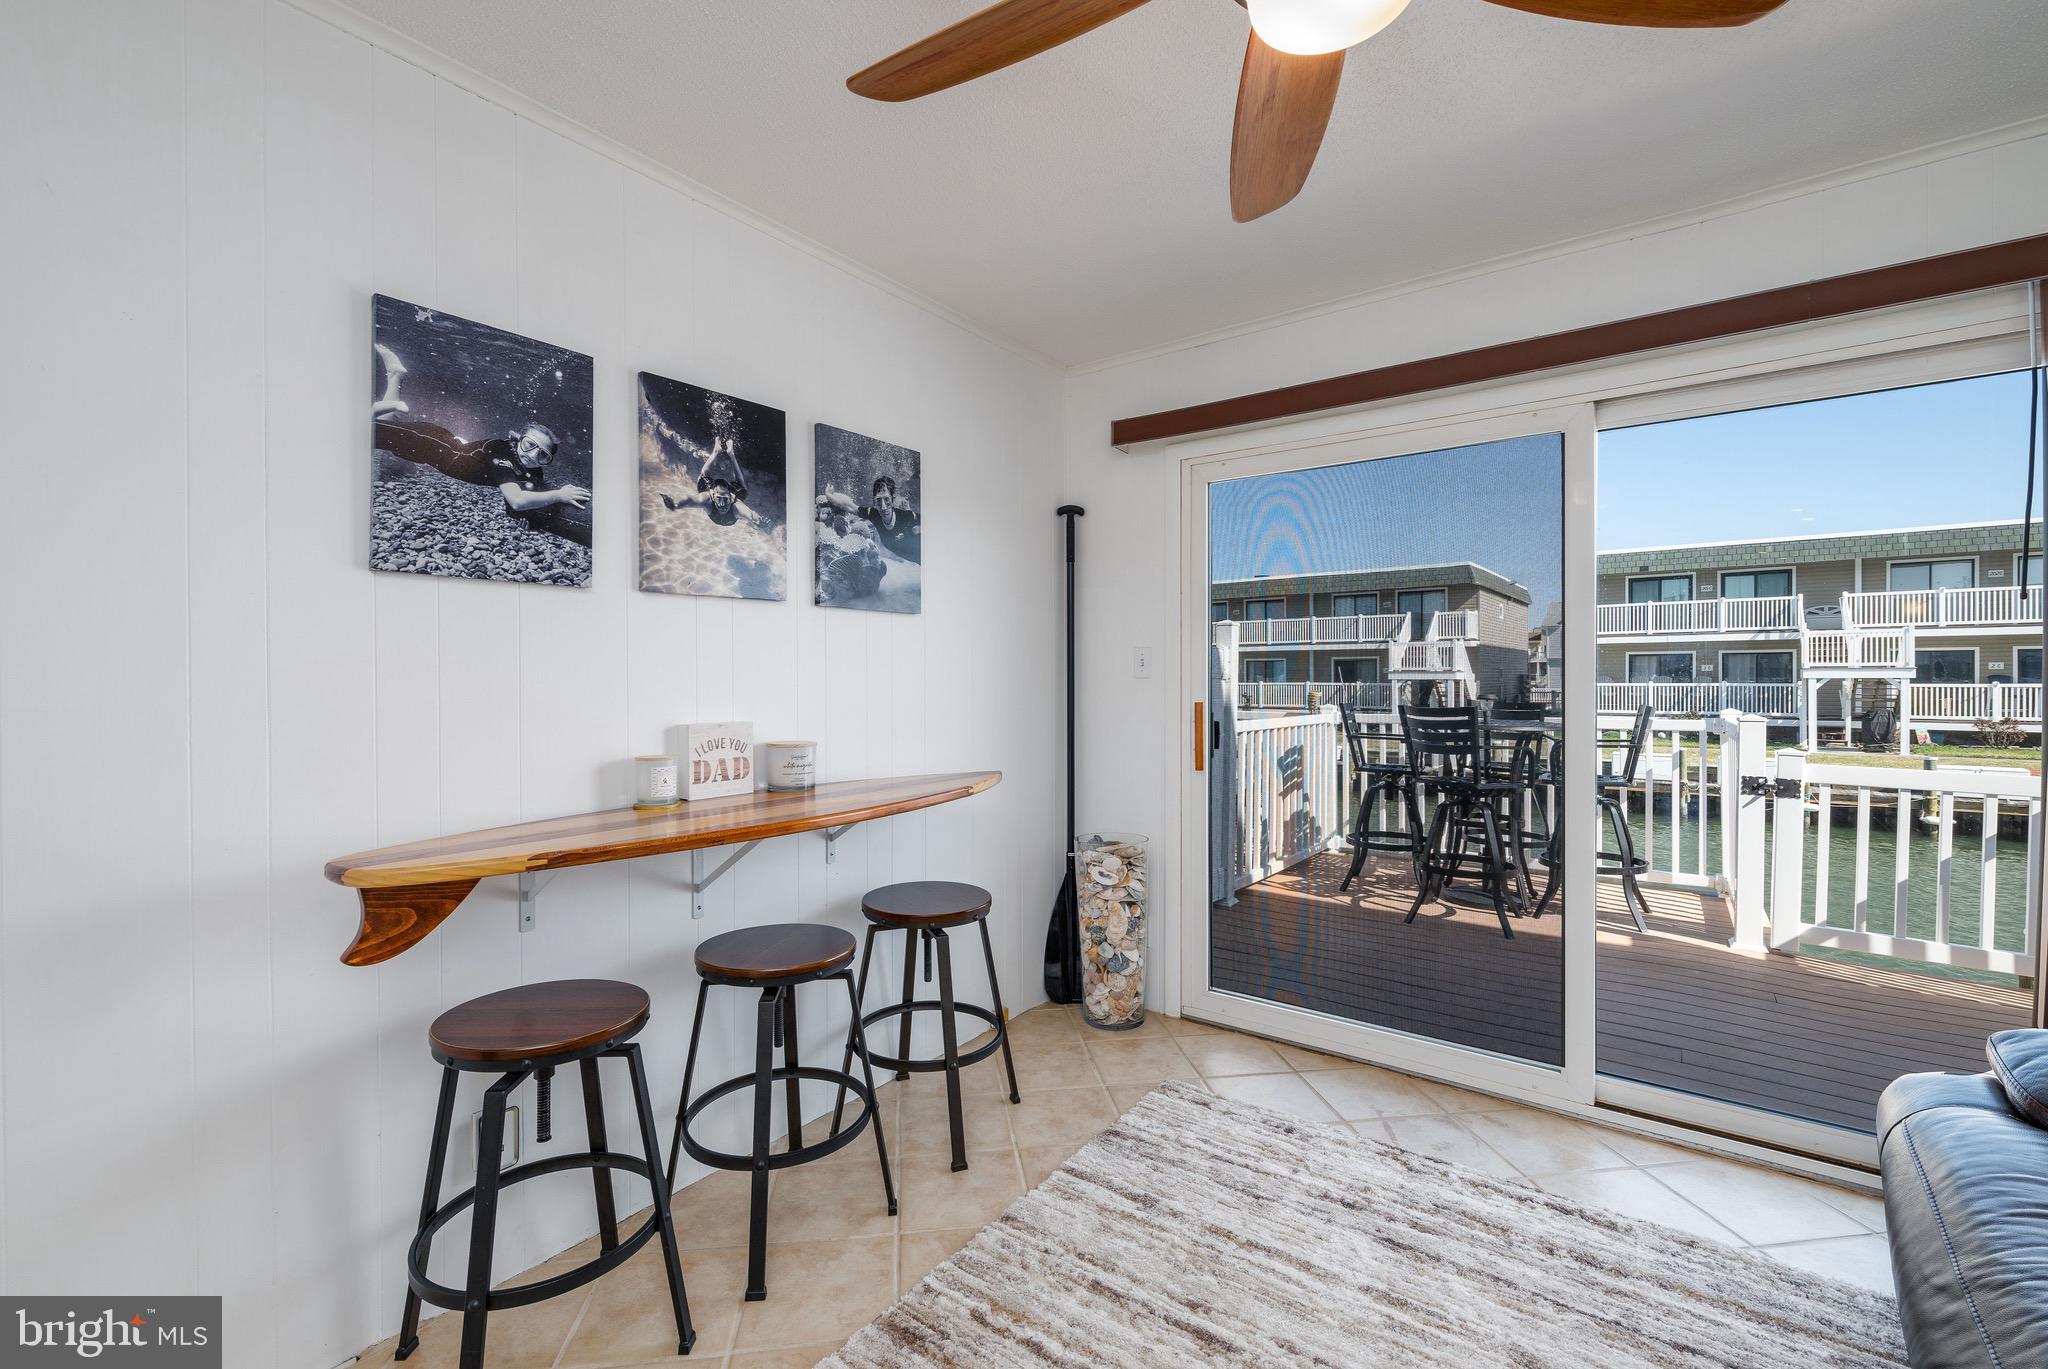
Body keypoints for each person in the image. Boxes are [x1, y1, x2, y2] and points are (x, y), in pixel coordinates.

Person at [371, 343, 593, 542]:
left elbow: (516, 507)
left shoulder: (533, 471)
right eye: (529, 445)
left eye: (542, 455)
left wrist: (526, 521)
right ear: (517, 441)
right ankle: (377, 407)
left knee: (382, 431)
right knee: (368, 431)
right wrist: (559, 495)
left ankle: (395, 377)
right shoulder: (502, 450)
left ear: (547, 461)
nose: (532, 456)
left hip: (439, 444)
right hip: (429, 442)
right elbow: (516, 500)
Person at [857, 475, 920, 560]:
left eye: (887, 499)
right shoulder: (874, 514)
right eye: (878, 500)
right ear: (874, 501)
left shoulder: (908, 517)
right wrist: (831, 496)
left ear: (893, 499)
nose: (883, 507)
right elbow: (848, 505)